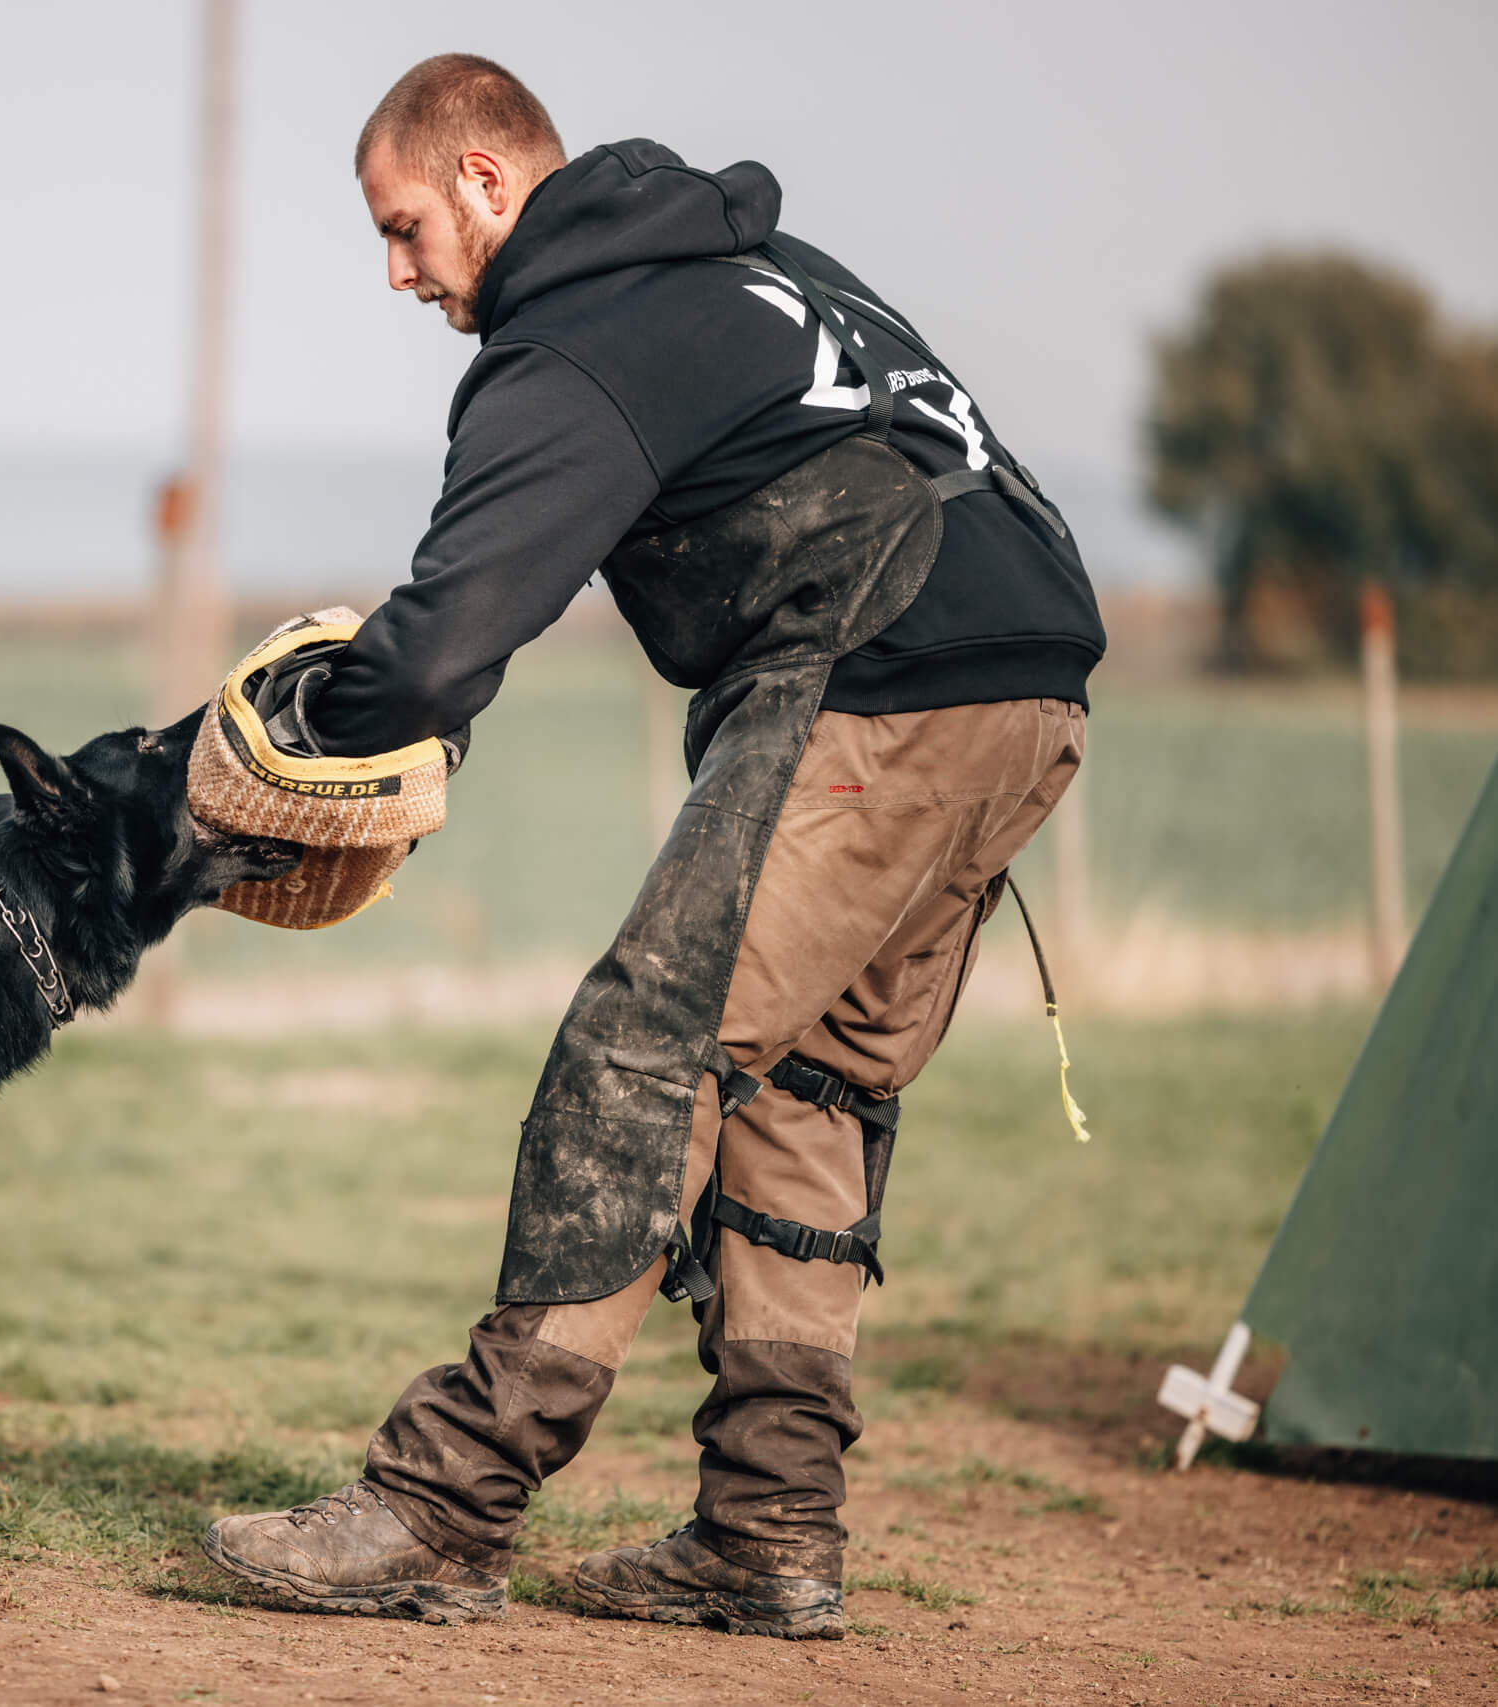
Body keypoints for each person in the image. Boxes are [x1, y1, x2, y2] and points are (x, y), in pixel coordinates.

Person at [199, 53, 1102, 1640]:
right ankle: (769, 1534)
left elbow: (444, 640)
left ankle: (443, 1506)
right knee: (809, 1085)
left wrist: (297, 746)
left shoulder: (577, 338)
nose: (398, 273)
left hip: (879, 685)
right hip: (1027, 688)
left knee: (648, 1050)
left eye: (405, 228)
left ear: (488, 182)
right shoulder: (751, 265)